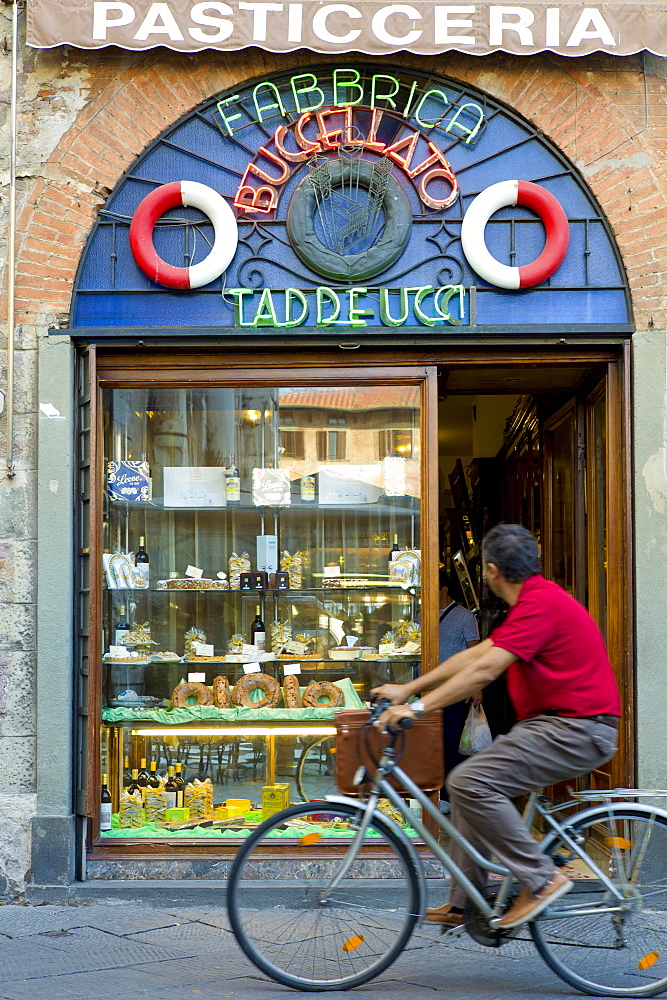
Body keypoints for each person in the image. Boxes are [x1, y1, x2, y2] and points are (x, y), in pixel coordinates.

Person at [372, 524, 620, 930]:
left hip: (575, 727)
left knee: (470, 780)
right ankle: (465, 902)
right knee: (469, 786)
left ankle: (541, 880)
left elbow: (483, 671)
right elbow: (473, 658)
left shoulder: (540, 605)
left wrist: (417, 708)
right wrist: (408, 688)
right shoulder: (534, 602)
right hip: (558, 725)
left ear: (490, 571)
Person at [433, 570, 481, 803]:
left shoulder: (464, 616)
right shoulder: (422, 614)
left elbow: (475, 651)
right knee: (431, 742)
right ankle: (434, 795)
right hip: (429, 689)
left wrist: (476, 686)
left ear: (444, 589)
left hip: (455, 687)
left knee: (451, 742)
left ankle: (451, 798)